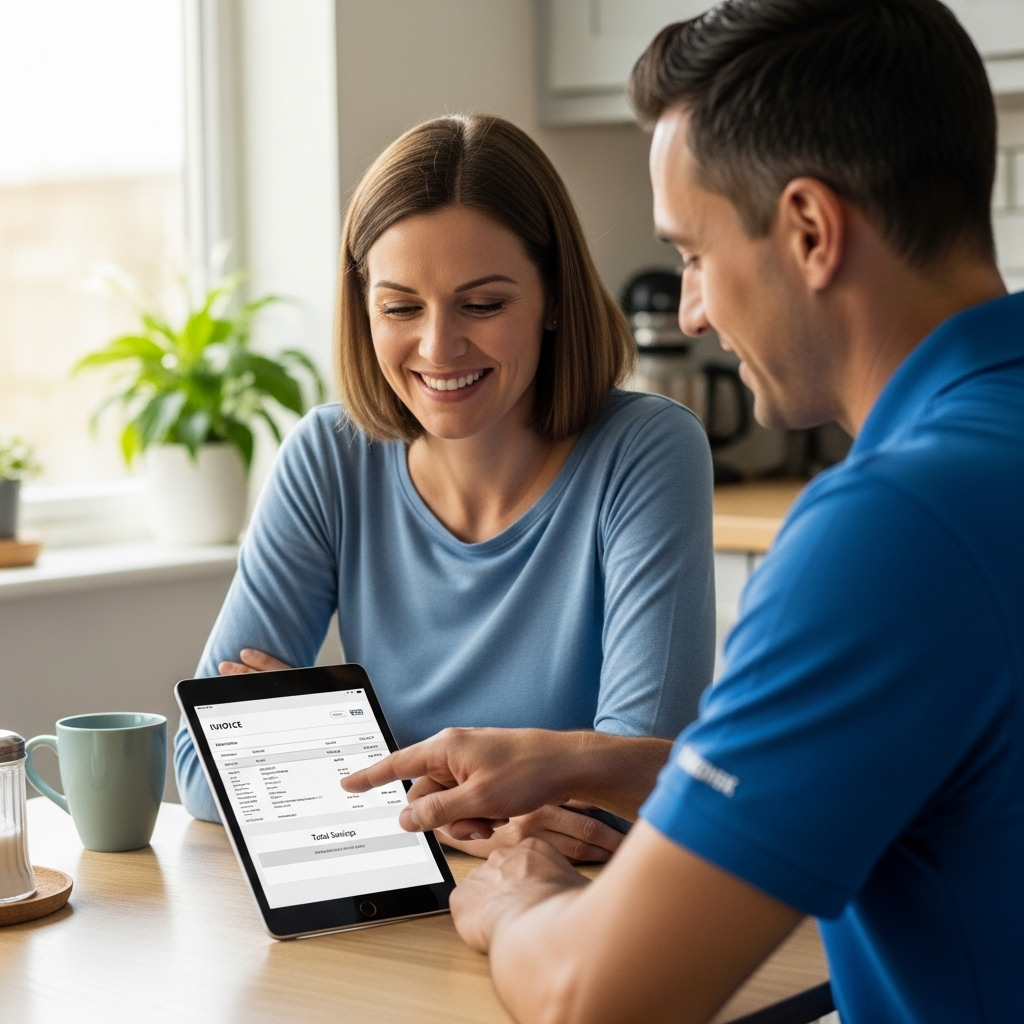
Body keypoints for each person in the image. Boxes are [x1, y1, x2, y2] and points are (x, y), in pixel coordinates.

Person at [341, 2, 1024, 1021]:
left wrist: (518, 903)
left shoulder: (888, 533)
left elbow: (597, 999)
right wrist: (592, 762)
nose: (693, 310)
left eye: (694, 254)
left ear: (809, 230)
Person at [173, 114, 716, 863]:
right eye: (400, 307)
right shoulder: (329, 457)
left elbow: (630, 799)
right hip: (394, 910)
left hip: (571, 911)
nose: (438, 346)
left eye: (483, 304)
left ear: (555, 297)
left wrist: (326, 751)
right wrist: (444, 810)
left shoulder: (647, 450)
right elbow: (203, 770)